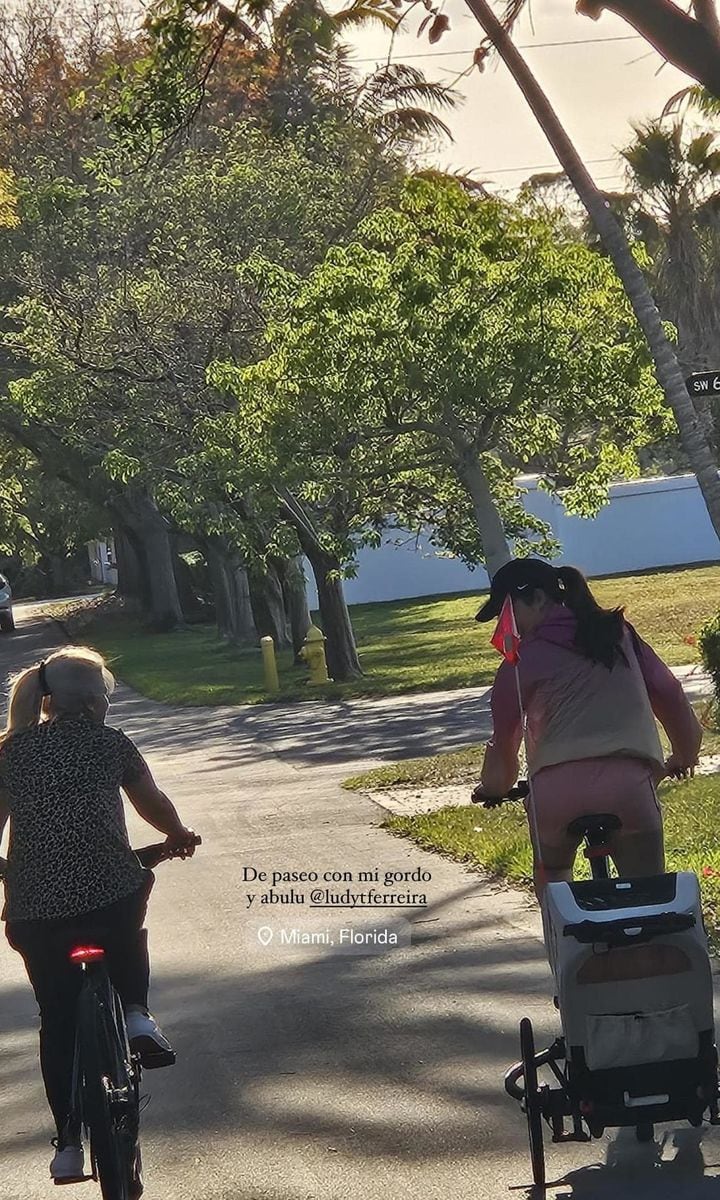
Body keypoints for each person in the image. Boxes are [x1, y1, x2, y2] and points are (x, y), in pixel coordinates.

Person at [0, 646, 198, 1184]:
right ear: (91, 704)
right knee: (128, 914)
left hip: (36, 911)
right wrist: (176, 836)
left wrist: (8, 869)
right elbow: (151, 803)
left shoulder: (10, 753)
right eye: (106, 697)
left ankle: (67, 1143)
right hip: (109, 894)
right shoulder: (110, 743)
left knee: (57, 1018)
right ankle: (135, 1011)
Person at [472, 558, 702, 898]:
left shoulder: (519, 662)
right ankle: (647, 941)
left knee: (554, 880)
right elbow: (669, 694)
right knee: (648, 894)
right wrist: (684, 755)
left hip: (555, 795)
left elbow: (504, 744)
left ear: (537, 599)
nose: (508, 626)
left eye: (508, 612)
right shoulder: (617, 633)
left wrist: (492, 789)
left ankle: (566, 941)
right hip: (629, 788)